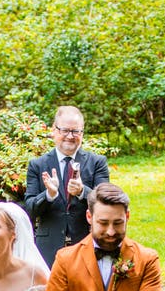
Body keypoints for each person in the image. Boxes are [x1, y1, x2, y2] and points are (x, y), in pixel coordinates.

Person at [24, 106, 111, 268]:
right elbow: (29, 209)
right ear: (54, 131)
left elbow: (105, 204)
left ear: (82, 133)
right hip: (49, 249)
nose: (70, 136)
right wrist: (49, 195)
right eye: (65, 130)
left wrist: (82, 192)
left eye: (76, 131)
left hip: (86, 243)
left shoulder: (97, 162)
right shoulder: (37, 165)